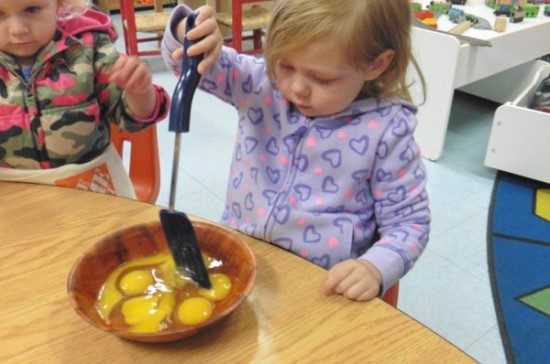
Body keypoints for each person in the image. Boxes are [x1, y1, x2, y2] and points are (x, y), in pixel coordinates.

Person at [161, 0, 430, 302]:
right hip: (242, 262)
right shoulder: (260, 83)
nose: (297, 87)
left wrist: (374, 268)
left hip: (321, 288)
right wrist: (191, 34)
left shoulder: (387, 131)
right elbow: (191, 66)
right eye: (285, 64)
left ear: (376, 64)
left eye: (322, 78)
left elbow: (409, 223)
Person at [0, 0, 169, 198]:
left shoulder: (89, 48)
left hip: (91, 187)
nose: (18, 29)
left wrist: (139, 92)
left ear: (59, 4)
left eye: (31, 9)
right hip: (15, 195)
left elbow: (132, 119)